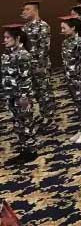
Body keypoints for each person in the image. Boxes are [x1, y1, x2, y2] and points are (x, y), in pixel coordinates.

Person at [2, 24, 39, 165]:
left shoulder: (23, 55)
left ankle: (31, 151)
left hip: (21, 97)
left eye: (8, 37)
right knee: (18, 125)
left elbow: (26, 78)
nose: (5, 40)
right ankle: (24, 150)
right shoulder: (9, 54)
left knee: (26, 124)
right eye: (4, 37)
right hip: (11, 95)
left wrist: (24, 97)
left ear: (17, 38)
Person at [21, 0, 54, 126]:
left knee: (45, 91)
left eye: (27, 9)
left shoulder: (43, 26)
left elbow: (44, 48)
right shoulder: (25, 27)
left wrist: (40, 65)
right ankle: (42, 112)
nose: (24, 12)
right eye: (24, 9)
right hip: (29, 65)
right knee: (36, 92)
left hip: (41, 65)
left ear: (35, 10)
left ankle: (49, 116)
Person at [60, 16, 81, 145]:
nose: (62, 30)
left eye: (64, 28)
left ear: (73, 28)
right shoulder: (66, 42)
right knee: (78, 105)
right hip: (71, 78)